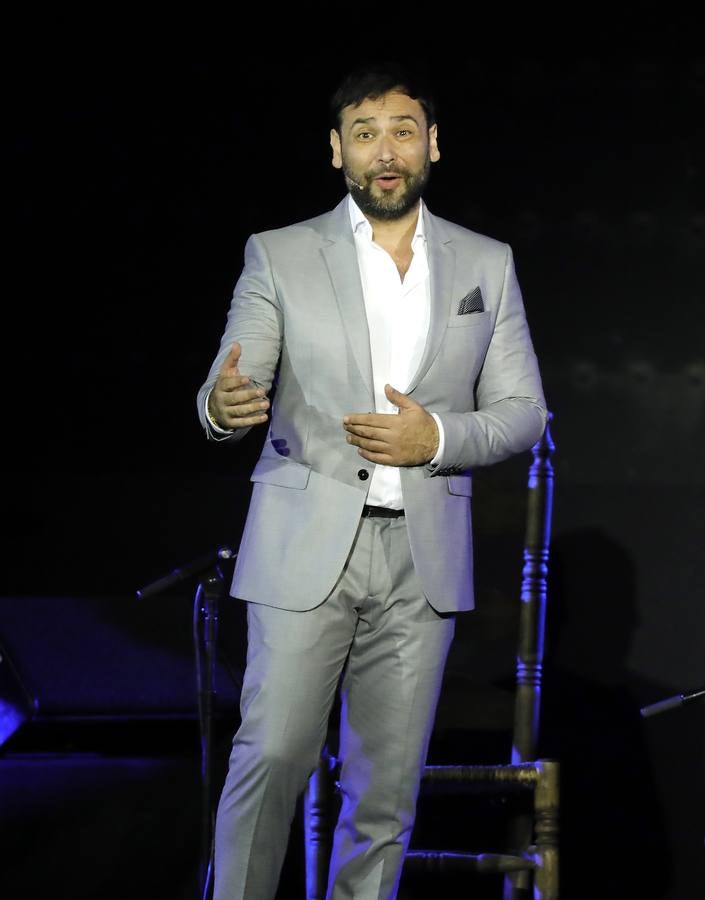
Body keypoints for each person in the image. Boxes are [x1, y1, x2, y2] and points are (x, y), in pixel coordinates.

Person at [196, 60, 547, 900]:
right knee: (271, 756)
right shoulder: (279, 253)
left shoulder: (484, 263)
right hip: (306, 543)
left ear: (431, 143)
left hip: (419, 559)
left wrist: (436, 436)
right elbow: (231, 369)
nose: (383, 151)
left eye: (400, 131)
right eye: (363, 134)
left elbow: (524, 412)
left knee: (383, 793)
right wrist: (223, 400)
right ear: (335, 151)